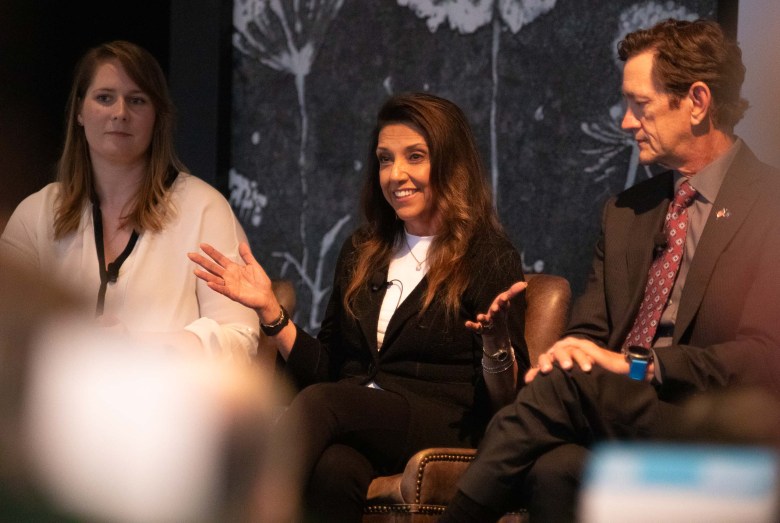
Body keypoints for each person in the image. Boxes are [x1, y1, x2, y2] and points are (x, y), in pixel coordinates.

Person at [440, 18, 780, 523]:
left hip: (709, 416)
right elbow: (590, 331)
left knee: (565, 387)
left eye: (640, 105)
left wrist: (639, 366)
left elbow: (763, 355)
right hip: (614, 410)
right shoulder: (627, 212)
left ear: (697, 102)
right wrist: (568, 352)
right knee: (555, 469)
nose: (625, 122)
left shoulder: (770, 203)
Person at [188, 92, 530, 521]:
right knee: (336, 470)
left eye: (415, 157)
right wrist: (271, 312)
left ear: (451, 163)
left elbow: (509, 400)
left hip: (445, 419)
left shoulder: (488, 256)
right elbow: (332, 369)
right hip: (361, 415)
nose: (396, 174)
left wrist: (496, 344)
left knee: (323, 404)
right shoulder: (363, 249)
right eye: (386, 160)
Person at [0, 41, 260, 362]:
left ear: (156, 117)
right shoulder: (36, 213)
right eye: (105, 98)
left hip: (168, 406)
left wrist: (138, 346)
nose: (120, 113)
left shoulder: (205, 209)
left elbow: (240, 339)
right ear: (79, 111)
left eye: (137, 100)